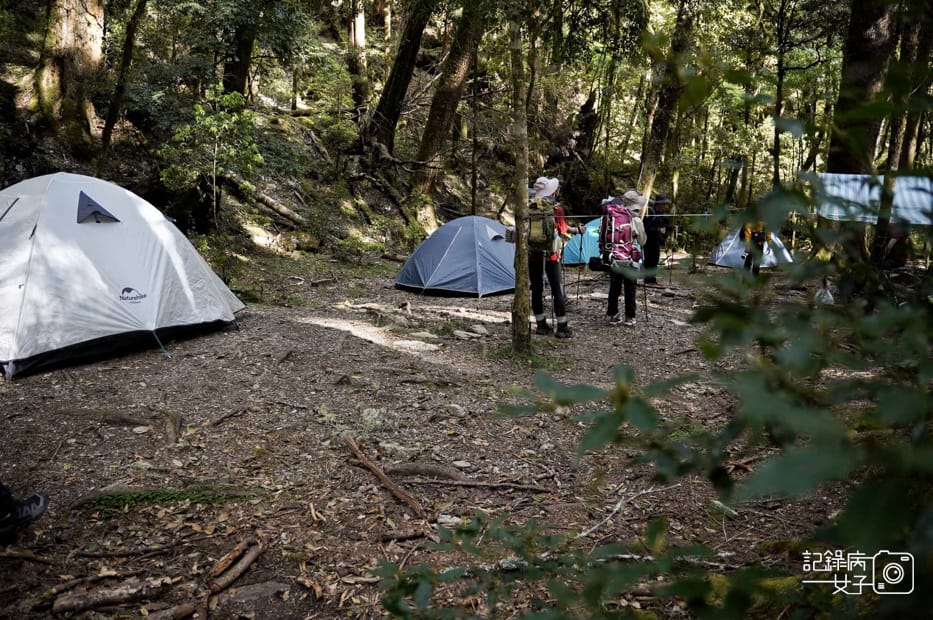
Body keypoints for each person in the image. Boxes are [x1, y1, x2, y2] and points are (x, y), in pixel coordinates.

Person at [528, 176, 585, 338]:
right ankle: (561, 327)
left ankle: (541, 325)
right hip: (551, 255)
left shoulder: (529, 206)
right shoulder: (556, 209)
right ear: (553, 191)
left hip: (533, 254)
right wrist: (577, 230)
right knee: (557, 289)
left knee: (536, 288)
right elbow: (562, 229)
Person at [606, 190, 648, 326]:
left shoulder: (613, 217)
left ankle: (612, 314)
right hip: (630, 258)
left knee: (614, 287)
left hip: (614, 256)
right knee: (630, 288)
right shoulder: (636, 220)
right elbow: (642, 241)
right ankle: (630, 317)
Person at [643, 194, 670, 284]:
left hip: (656, 239)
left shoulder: (660, 213)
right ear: (659, 203)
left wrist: (668, 228)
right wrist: (658, 230)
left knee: (655, 259)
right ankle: (647, 279)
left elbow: (662, 224)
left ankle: (652, 278)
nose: (665, 206)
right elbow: (647, 227)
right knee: (649, 259)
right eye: (663, 204)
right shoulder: (650, 212)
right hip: (648, 239)